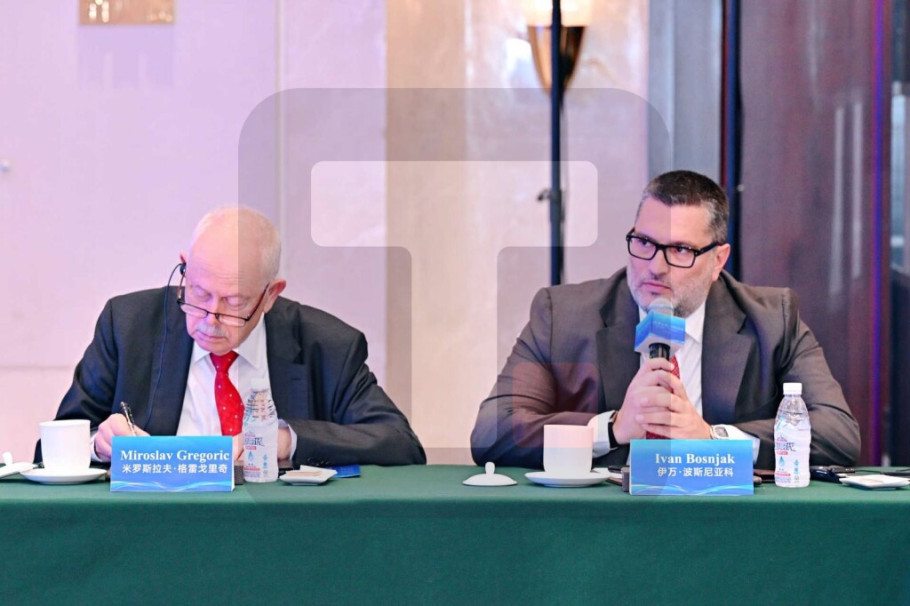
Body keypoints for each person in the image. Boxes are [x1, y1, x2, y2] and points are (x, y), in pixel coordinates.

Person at [471, 170, 860, 469]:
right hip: (605, 526)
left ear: (718, 261)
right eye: (644, 243)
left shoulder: (773, 321)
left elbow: (839, 436)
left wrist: (711, 438)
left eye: (680, 250)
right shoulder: (563, 315)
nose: (655, 266)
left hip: (727, 526)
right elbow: (492, 431)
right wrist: (612, 428)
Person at [48, 206, 425, 466]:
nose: (210, 319)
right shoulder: (128, 325)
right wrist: (98, 443)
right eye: (198, 293)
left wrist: (286, 439)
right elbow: (51, 447)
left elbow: (399, 442)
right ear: (185, 268)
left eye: (233, 302)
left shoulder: (326, 345)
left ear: (271, 294)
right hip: (155, 525)